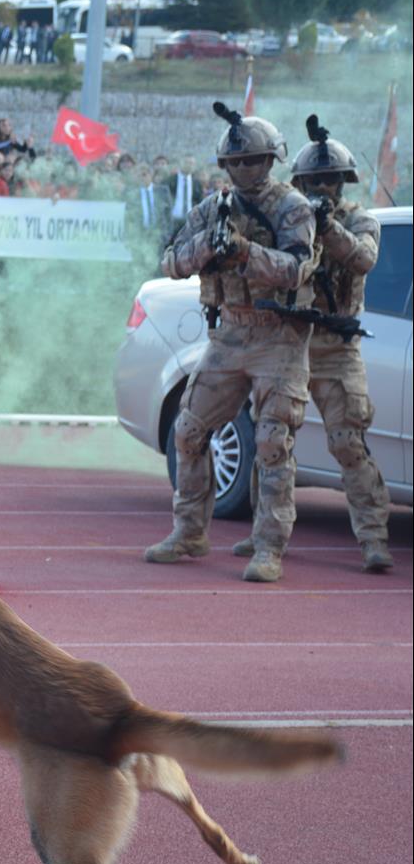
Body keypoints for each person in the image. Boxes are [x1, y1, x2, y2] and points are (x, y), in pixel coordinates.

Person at [145, 103, 317, 583]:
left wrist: (245, 251)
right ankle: (189, 532)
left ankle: (269, 547)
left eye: (253, 160)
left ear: (271, 160)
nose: (244, 169)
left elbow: (297, 268)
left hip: (279, 336)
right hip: (230, 332)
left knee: (271, 441)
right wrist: (208, 247)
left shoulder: (293, 207)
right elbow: (171, 259)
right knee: (188, 431)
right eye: (235, 163)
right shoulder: (213, 207)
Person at [229, 117, 391, 572]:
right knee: (272, 440)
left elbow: (362, 260)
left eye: (331, 179)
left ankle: (373, 540)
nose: (323, 186)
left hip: (335, 347)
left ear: (343, 182)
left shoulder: (359, 220)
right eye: (314, 180)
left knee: (347, 442)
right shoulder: (288, 216)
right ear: (299, 182)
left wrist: (329, 227)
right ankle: (265, 535)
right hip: (288, 342)